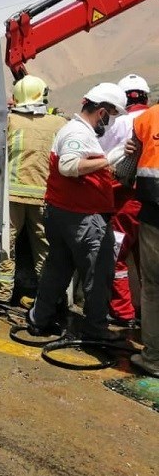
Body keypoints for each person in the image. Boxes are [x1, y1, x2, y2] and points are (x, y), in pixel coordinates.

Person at [27, 83, 128, 340]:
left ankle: (40, 319)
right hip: (81, 217)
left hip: (65, 213)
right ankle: (95, 329)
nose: (110, 122)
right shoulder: (77, 132)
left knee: (57, 269)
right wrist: (110, 158)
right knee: (97, 273)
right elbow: (68, 166)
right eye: (111, 115)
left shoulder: (76, 130)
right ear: (102, 111)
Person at [0, 75, 66, 305]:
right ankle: (49, 299)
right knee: (45, 247)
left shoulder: (8, 121)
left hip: (11, 196)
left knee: (6, 245)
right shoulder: (58, 123)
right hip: (45, 197)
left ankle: (2, 293)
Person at [98, 74, 151, 327]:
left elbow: (101, 155)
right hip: (152, 202)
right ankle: (149, 315)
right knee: (148, 262)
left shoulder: (120, 124)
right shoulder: (153, 119)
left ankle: (123, 312)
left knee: (116, 255)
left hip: (125, 200)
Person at [129, 98, 159, 376]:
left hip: (154, 213)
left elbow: (127, 167)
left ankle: (154, 358)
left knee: (153, 287)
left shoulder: (147, 118)